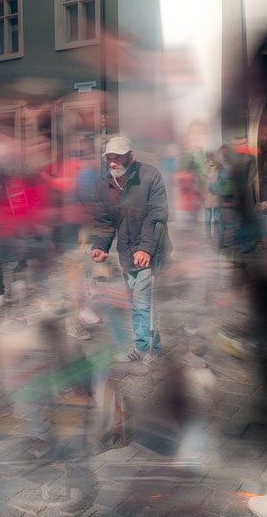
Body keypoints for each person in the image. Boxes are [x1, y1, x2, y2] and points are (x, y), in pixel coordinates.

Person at [90, 135, 170, 373]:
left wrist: (146, 248)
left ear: (131, 157)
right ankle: (141, 345)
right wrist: (99, 245)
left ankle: (151, 350)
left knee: (142, 301)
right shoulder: (105, 184)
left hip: (150, 249)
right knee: (135, 303)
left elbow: (157, 216)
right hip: (126, 252)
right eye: (110, 159)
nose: (113, 163)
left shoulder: (150, 176)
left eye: (118, 158)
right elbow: (103, 220)